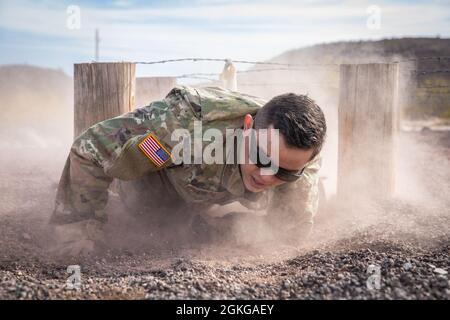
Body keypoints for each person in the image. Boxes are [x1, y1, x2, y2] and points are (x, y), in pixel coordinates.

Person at [49, 85, 327, 256]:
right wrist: (78, 232)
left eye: (285, 173)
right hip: (155, 188)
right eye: (261, 157)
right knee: (148, 215)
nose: (267, 176)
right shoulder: (182, 124)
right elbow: (89, 147)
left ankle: (202, 221)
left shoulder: (302, 159)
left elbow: (289, 231)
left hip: (206, 194)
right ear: (247, 127)